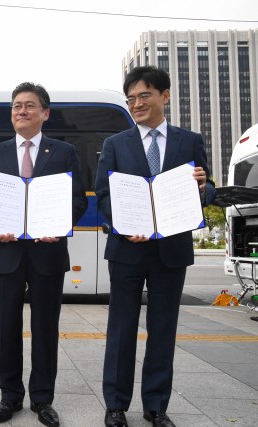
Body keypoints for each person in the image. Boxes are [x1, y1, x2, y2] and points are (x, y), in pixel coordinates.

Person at [95, 66, 216, 427]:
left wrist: (202, 187)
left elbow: (206, 190)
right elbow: (104, 196)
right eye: (131, 98)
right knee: (121, 327)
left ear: (165, 96)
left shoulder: (189, 141)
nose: (136, 103)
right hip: (127, 249)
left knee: (163, 328)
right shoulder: (115, 144)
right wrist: (122, 224)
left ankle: (156, 406)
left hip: (170, 250)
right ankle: (115, 405)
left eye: (143, 95)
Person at [0, 82, 88, 426]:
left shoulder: (64, 151)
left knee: (45, 328)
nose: (21, 111)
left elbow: (78, 200)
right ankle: (9, 396)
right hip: (6, 252)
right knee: (5, 327)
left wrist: (59, 225)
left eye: (29, 105)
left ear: (45, 113)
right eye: (16, 106)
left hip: (47, 253)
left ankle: (42, 398)